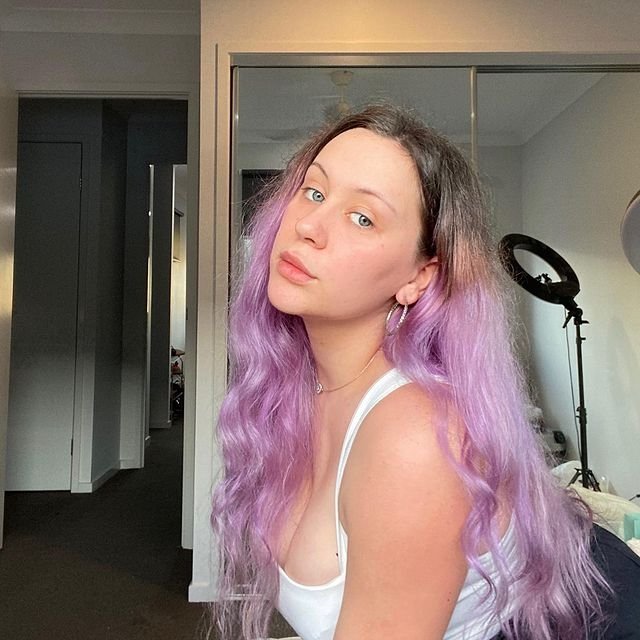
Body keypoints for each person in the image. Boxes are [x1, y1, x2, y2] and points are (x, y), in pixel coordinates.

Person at [209, 104, 615, 639]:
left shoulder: (415, 438)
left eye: (362, 218)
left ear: (419, 278)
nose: (308, 226)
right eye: (314, 191)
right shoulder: (301, 388)